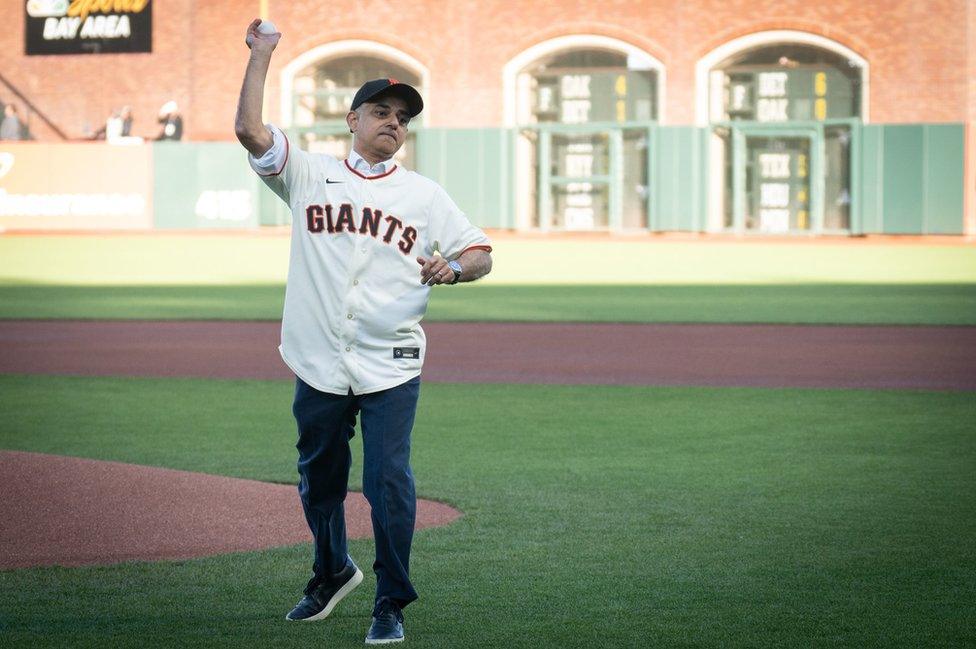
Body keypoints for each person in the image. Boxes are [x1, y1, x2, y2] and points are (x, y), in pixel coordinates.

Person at [234, 18, 493, 645]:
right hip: (318, 359)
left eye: (403, 117)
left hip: (392, 363)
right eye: (380, 110)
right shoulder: (307, 174)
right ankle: (330, 571)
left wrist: (453, 268)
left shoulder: (424, 195)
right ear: (352, 120)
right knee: (318, 479)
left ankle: (391, 601)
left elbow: (481, 251)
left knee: (387, 482)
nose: (393, 123)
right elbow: (249, 130)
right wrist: (263, 54)